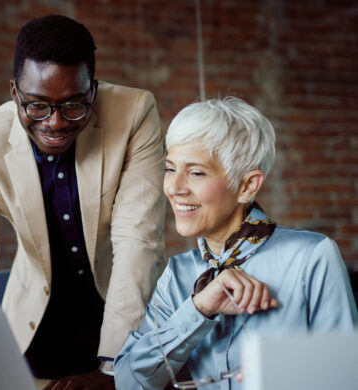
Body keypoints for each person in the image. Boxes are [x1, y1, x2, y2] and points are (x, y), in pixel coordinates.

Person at [0, 14, 166, 389]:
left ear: (92, 90)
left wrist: (114, 368)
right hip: (33, 325)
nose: (56, 123)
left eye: (74, 105)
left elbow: (137, 244)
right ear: (15, 92)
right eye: (37, 106)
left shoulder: (134, 114)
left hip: (121, 311)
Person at [114, 97, 358, 389]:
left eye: (196, 172)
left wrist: (288, 373)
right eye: (170, 168)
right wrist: (199, 309)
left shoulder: (311, 258)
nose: (174, 187)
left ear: (247, 186)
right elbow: (128, 382)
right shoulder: (177, 275)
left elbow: (347, 377)